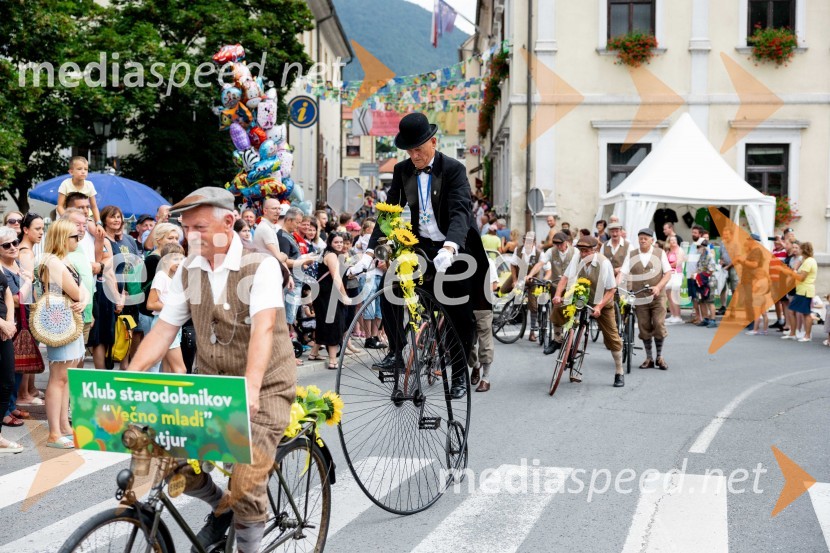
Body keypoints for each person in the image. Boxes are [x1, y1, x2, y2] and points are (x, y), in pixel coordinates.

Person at [129, 187, 295, 552]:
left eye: (199, 227)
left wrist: (251, 388)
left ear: (228, 221)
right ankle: (222, 507)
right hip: (210, 384)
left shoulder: (261, 265)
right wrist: (127, 380)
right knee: (167, 458)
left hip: (264, 386)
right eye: (187, 228)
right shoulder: (189, 269)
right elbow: (163, 330)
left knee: (248, 481)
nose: (191, 236)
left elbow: (264, 328)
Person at [350, 112, 488, 399]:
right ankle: (396, 351)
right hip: (422, 246)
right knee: (391, 284)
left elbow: (461, 212)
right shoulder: (402, 171)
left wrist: (451, 247)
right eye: (409, 150)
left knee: (458, 313)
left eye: (418, 149)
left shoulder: (454, 169)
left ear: (434, 142)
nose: (414, 156)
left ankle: (459, 375)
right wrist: (369, 253)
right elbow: (388, 215)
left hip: (456, 248)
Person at [41, 219, 88, 448]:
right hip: (61, 322)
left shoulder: (62, 260)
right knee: (58, 377)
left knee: (65, 377)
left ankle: (63, 426)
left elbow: (84, 289)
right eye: (74, 237)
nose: (78, 240)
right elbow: (78, 292)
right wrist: (83, 297)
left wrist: (84, 297)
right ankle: (54, 433)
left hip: (69, 320)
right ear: (62, 238)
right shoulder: (54, 262)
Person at [553, 236, 624, 387]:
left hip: (602, 302)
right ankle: (557, 338)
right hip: (581, 296)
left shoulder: (604, 263)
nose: (583, 254)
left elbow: (611, 289)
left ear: (595, 250)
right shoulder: (577, 258)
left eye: (586, 251)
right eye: (581, 251)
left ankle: (619, 371)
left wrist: (599, 307)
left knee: (612, 337)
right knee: (559, 307)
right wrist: (558, 295)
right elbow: (565, 279)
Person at [619, 229, 672, 370]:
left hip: (657, 297)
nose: (642, 240)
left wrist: (658, 287)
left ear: (652, 241)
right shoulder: (632, 255)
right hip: (640, 297)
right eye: (640, 238)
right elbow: (623, 272)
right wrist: (615, 285)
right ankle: (649, 358)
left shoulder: (660, 253)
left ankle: (659, 356)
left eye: (645, 238)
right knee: (644, 326)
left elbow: (667, 273)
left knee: (659, 324)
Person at [0, 226, 34, 428]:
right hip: (8, 325)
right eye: (6, 245)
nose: (13, 247)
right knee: (8, 372)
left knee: (17, 367)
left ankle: (9, 405)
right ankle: (5, 411)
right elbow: (15, 297)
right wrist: (28, 282)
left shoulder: (17, 264)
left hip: (19, 321)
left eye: (15, 243)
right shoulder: (3, 269)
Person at [308, 233, 348, 369]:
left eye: (341, 242)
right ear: (330, 242)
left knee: (323, 323)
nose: (339, 244)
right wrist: (344, 296)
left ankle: (313, 353)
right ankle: (332, 361)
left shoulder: (328, 253)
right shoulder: (331, 255)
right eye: (336, 242)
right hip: (329, 295)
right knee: (333, 325)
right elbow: (336, 277)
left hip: (322, 294)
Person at [145, 242, 186, 373]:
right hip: (164, 324)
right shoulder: (161, 276)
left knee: (167, 369)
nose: (179, 262)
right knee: (180, 369)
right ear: (166, 260)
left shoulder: (176, 278)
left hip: (174, 324)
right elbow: (151, 304)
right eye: (175, 258)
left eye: (181, 258)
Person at [541, 232, 575, 355]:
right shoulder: (551, 251)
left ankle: (572, 341)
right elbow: (541, 263)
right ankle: (557, 340)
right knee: (556, 311)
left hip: (571, 287)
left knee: (572, 313)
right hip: (557, 286)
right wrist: (529, 274)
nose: (558, 246)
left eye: (560, 244)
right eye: (556, 244)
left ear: (566, 242)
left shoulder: (575, 252)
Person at [0, 241, 19, 453]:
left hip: (5, 330)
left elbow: (6, 291)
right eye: (6, 244)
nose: (12, 246)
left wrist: (10, 321)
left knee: (6, 382)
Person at [784, 241, 817, 342]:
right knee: (792, 311)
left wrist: (793, 272)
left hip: (805, 290)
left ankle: (807, 336)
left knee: (805, 313)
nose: (797, 250)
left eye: (799, 248)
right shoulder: (805, 260)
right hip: (801, 290)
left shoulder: (809, 262)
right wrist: (797, 266)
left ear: (803, 250)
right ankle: (793, 333)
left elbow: (801, 277)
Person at [56, 156, 101, 225]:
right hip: (67, 215)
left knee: (93, 228)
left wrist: (98, 223)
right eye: (79, 169)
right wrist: (68, 219)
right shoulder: (66, 184)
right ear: (71, 172)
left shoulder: (89, 185)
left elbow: (94, 207)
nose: (83, 172)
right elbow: (60, 206)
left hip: (85, 215)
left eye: (86, 169)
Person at [693, 239, 718, 328]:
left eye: (699, 246)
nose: (698, 248)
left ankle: (713, 320)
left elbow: (711, 270)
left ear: (703, 247)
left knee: (710, 301)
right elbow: (699, 268)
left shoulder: (709, 257)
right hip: (701, 281)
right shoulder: (701, 257)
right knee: (701, 301)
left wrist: (700, 276)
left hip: (709, 281)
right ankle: (706, 318)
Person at [664, 235, 685, 324]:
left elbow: (679, 262)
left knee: (675, 296)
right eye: (671, 240)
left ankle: (678, 316)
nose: (672, 242)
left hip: (677, 274)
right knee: (669, 295)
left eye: (674, 240)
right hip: (669, 274)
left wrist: (668, 266)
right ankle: (673, 314)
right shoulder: (668, 251)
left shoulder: (679, 250)